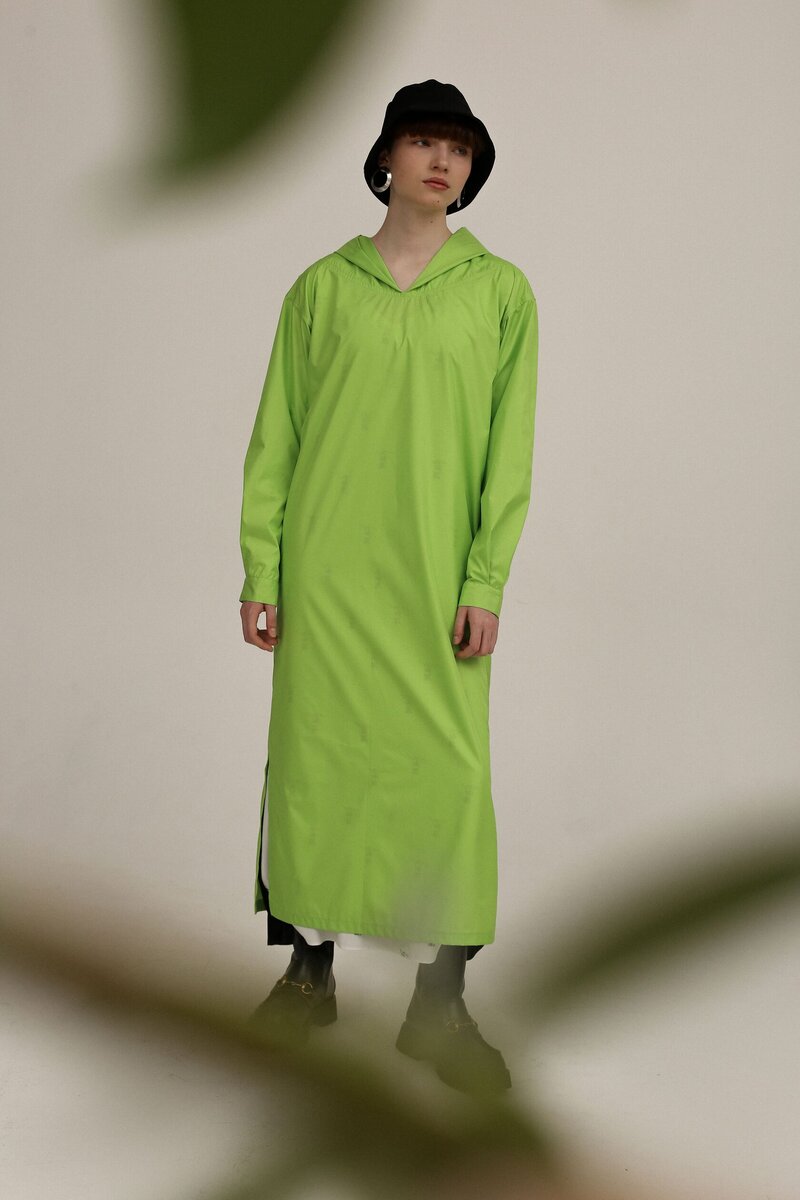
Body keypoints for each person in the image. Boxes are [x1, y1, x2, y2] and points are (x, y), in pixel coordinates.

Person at [239, 80, 539, 1095]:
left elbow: (509, 453)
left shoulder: (500, 292)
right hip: (326, 576)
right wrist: (263, 567)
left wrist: (484, 579)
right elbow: (276, 438)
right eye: (421, 140)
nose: (440, 160)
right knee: (314, 768)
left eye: (458, 146)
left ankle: (438, 1006)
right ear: (384, 157)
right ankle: (307, 977)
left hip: (435, 581)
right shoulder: (320, 289)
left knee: (447, 778)